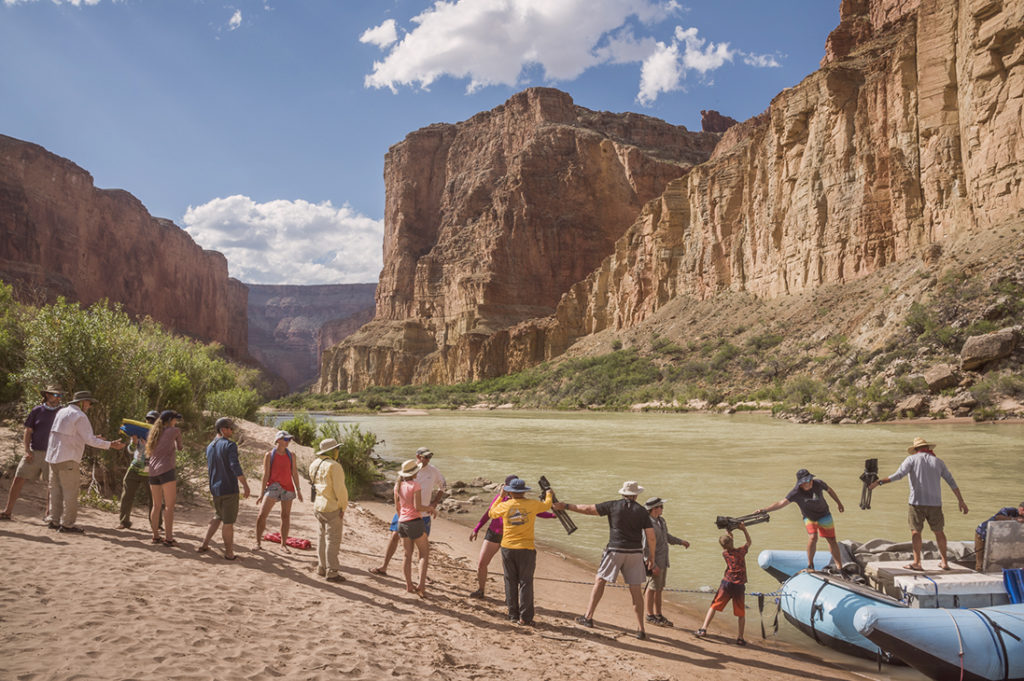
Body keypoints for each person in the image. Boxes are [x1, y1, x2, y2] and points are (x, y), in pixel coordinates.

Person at [555, 480, 657, 640]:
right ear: (636, 495)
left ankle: (588, 617)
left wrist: (566, 506)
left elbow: (588, 509)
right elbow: (651, 537)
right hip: (635, 553)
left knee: (600, 580)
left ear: (623, 493)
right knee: (636, 590)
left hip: (615, 550)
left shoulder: (613, 506)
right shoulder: (642, 511)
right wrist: (651, 557)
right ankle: (641, 629)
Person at [869, 436, 969, 571]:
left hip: (916, 502)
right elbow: (951, 482)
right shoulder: (938, 462)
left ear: (916, 449)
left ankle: (917, 562)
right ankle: (944, 562)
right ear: (927, 448)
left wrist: (879, 482)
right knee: (939, 532)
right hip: (935, 503)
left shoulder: (911, 459)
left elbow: (898, 475)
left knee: (916, 532)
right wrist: (961, 501)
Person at [43, 390, 125, 533]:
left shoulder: (62, 412)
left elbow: (72, 435)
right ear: (81, 402)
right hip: (68, 458)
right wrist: (110, 444)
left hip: (53, 457)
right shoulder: (80, 416)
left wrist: (95, 438)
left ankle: (54, 521)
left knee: (56, 491)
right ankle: (67, 524)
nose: (90, 405)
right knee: (70, 493)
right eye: (88, 402)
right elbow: (89, 440)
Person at [468, 473, 556, 599]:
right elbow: (489, 514)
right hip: (494, 534)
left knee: (511, 572)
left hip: (510, 537)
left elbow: (536, 512)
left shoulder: (522, 501)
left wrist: (552, 516)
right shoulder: (500, 499)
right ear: (506, 486)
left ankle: (511, 598)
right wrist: (476, 529)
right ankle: (481, 590)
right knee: (482, 563)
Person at [487, 477, 553, 625]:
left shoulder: (506, 505)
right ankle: (525, 617)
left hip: (508, 547)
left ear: (510, 492)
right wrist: (549, 493)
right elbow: (547, 505)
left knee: (510, 581)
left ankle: (512, 614)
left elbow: (492, 513)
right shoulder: (532, 505)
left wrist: (500, 496)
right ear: (524, 492)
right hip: (526, 548)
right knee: (526, 582)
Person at [370, 447, 446, 575]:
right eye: (425, 457)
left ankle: (421, 575)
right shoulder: (409, 469)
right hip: (404, 513)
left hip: (423, 514)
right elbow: (398, 489)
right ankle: (384, 566)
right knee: (394, 536)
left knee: (421, 544)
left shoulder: (433, 471)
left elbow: (443, 486)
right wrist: (399, 511)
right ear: (418, 456)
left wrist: (435, 502)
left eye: (429, 457)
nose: (428, 459)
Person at [755, 468, 845, 573]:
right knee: (813, 537)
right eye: (806, 481)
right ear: (801, 484)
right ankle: (810, 565)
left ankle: (840, 568)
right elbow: (781, 503)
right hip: (810, 518)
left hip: (824, 515)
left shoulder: (818, 483)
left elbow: (830, 490)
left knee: (832, 540)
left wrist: (839, 503)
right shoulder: (795, 492)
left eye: (810, 479)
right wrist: (765, 510)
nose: (810, 482)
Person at [1, 386, 61, 522]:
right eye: (55, 395)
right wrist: (27, 450)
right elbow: (28, 431)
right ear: (47, 395)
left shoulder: (62, 412)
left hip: (52, 454)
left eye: (60, 396)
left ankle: (48, 514)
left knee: (51, 485)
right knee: (19, 477)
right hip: (34, 452)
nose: (58, 398)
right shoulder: (37, 410)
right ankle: (7, 511)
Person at [198, 417, 250, 559]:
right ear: (223, 429)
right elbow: (235, 466)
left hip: (215, 488)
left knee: (218, 515)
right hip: (228, 488)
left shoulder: (210, 446)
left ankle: (204, 544)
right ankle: (229, 553)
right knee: (228, 522)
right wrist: (245, 485)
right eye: (230, 428)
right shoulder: (230, 445)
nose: (232, 431)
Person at [696, 522, 751, 645]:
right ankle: (740, 638)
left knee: (714, 606)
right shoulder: (741, 552)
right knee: (741, 613)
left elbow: (728, 543)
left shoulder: (724, 553)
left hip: (727, 583)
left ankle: (703, 628)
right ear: (731, 542)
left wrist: (729, 532)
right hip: (739, 585)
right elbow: (749, 542)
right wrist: (744, 529)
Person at [642, 497, 689, 627]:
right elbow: (644, 547)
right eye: (661, 506)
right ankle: (650, 615)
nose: (663, 509)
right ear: (654, 509)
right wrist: (651, 563)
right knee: (652, 588)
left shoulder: (661, 521)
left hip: (663, 560)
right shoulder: (648, 524)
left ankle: (658, 614)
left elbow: (666, 537)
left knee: (659, 588)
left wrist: (680, 542)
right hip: (654, 561)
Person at [393, 457, 437, 597]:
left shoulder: (398, 485)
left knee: (407, 555)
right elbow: (418, 507)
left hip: (402, 522)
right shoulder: (415, 485)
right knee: (424, 554)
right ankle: (421, 587)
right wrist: (431, 509)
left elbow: (397, 507)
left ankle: (409, 585)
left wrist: (403, 518)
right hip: (414, 522)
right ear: (413, 473)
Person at [254, 430, 303, 551]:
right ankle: (258, 543)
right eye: (286, 439)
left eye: (289, 439)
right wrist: (261, 494)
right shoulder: (269, 455)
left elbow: (294, 473)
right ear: (278, 440)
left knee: (285, 516)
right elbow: (265, 475)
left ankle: (283, 545)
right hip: (273, 487)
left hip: (288, 488)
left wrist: (299, 490)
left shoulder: (291, 455)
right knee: (261, 515)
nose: (288, 442)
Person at [309, 437, 348, 582]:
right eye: (337, 448)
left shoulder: (314, 464)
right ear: (332, 451)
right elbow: (340, 490)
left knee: (321, 538)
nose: (338, 451)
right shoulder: (334, 466)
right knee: (333, 540)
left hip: (318, 506)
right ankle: (332, 572)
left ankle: (322, 567)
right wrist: (343, 507)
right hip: (331, 507)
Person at [117, 410, 159, 530]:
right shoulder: (138, 433)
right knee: (127, 495)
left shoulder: (159, 436)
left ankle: (156, 524)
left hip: (150, 471)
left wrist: (149, 445)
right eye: (148, 419)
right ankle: (124, 522)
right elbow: (130, 450)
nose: (149, 421)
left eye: (152, 420)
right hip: (135, 468)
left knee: (155, 499)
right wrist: (134, 442)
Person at [146, 410, 183, 546]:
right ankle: (168, 538)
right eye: (175, 419)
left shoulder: (153, 432)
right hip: (166, 469)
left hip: (152, 471)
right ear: (170, 420)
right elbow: (180, 447)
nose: (176, 422)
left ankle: (155, 536)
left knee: (156, 505)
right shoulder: (175, 431)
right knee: (169, 506)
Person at [974, 502, 1024, 572]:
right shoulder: (1009, 510)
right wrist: (1014, 519)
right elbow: (998, 517)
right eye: (1023, 510)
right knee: (980, 559)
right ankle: (979, 571)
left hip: (997, 537)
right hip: (982, 533)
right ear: (1019, 508)